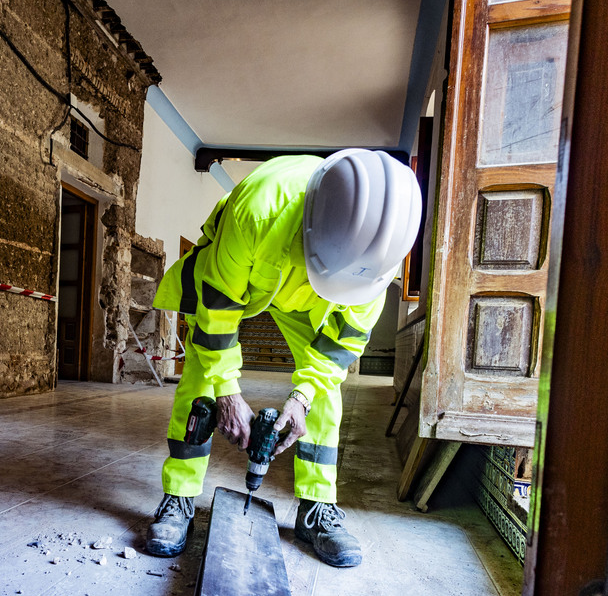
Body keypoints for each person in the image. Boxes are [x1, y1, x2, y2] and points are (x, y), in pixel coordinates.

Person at [144, 149, 421, 567]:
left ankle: (316, 509)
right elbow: (217, 313)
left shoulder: (375, 266)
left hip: (312, 302)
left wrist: (303, 397)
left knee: (326, 397)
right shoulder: (258, 210)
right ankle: (179, 497)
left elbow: (338, 350)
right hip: (251, 275)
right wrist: (228, 394)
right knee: (201, 375)